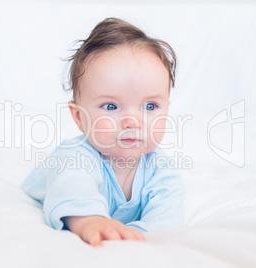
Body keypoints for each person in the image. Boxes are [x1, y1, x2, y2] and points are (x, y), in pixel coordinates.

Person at [21, 17, 184, 247]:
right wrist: (91, 221)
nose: (132, 121)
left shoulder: (162, 172)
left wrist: (132, 237)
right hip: (52, 179)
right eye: (111, 107)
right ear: (79, 117)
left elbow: (166, 222)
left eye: (150, 106)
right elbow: (73, 191)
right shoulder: (75, 157)